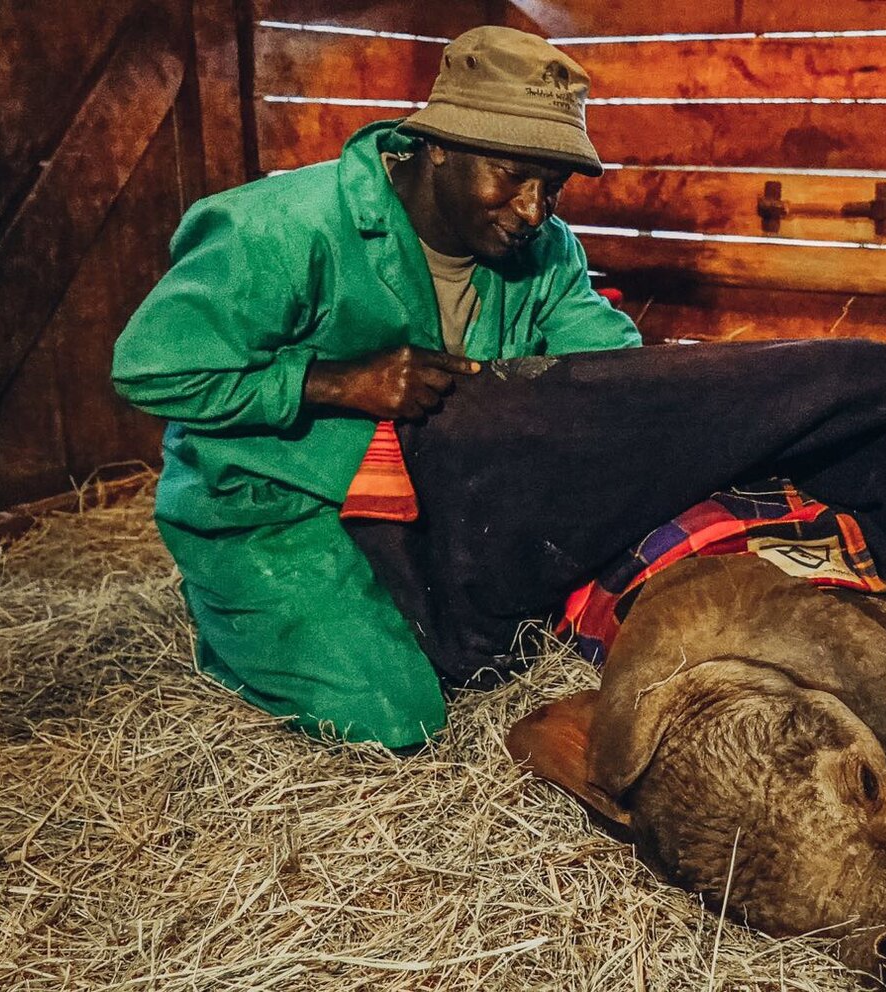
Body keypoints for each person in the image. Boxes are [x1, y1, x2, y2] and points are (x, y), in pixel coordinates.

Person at [111, 26, 640, 749]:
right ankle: (236, 618)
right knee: (397, 719)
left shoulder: (546, 253)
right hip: (276, 508)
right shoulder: (283, 229)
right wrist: (336, 383)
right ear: (439, 145)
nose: (532, 211)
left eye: (551, 185)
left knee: (500, 664)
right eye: (513, 175)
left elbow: (615, 374)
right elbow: (149, 367)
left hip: (434, 507)